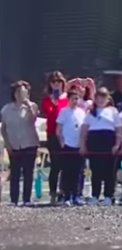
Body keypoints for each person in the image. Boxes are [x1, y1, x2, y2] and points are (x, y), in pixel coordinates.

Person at [80, 87, 122, 206]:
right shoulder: (90, 112)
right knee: (96, 170)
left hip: (108, 141)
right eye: (98, 96)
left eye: (104, 96)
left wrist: (117, 144)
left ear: (108, 98)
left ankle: (109, 195)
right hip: (94, 142)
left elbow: (119, 128)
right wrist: (83, 145)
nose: (101, 99)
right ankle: (95, 195)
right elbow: (84, 130)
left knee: (110, 171)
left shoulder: (113, 111)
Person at [1, 80, 40, 206]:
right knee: (15, 173)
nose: (21, 94)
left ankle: (27, 199)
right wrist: (7, 144)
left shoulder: (32, 106)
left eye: (24, 92)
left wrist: (28, 105)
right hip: (14, 145)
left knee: (28, 173)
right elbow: (4, 128)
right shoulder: (6, 109)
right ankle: (14, 199)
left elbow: (33, 119)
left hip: (29, 143)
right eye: (18, 92)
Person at [41, 71, 69, 204]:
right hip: (53, 135)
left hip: (67, 135)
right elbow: (50, 114)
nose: (56, 84)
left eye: (59, 81)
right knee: (55, 165)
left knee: (66, 165)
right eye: (54, 82)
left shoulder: (68, 98)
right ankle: (52, 193)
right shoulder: (47, 99)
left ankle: (64, 192)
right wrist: (54, 102)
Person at [56, 89, 87, 205]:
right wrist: (62, 143)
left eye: (77, 98)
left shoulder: (82, 112)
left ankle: (77, 195)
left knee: (78, 172)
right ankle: (67, 196)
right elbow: (58, 130)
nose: (75, 101)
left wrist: (83, 144)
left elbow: (84, 129)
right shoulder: (64, 112)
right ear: (68, 99)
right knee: (67, 172)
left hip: (78, 146)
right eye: (73, 98)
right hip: (67, 146)